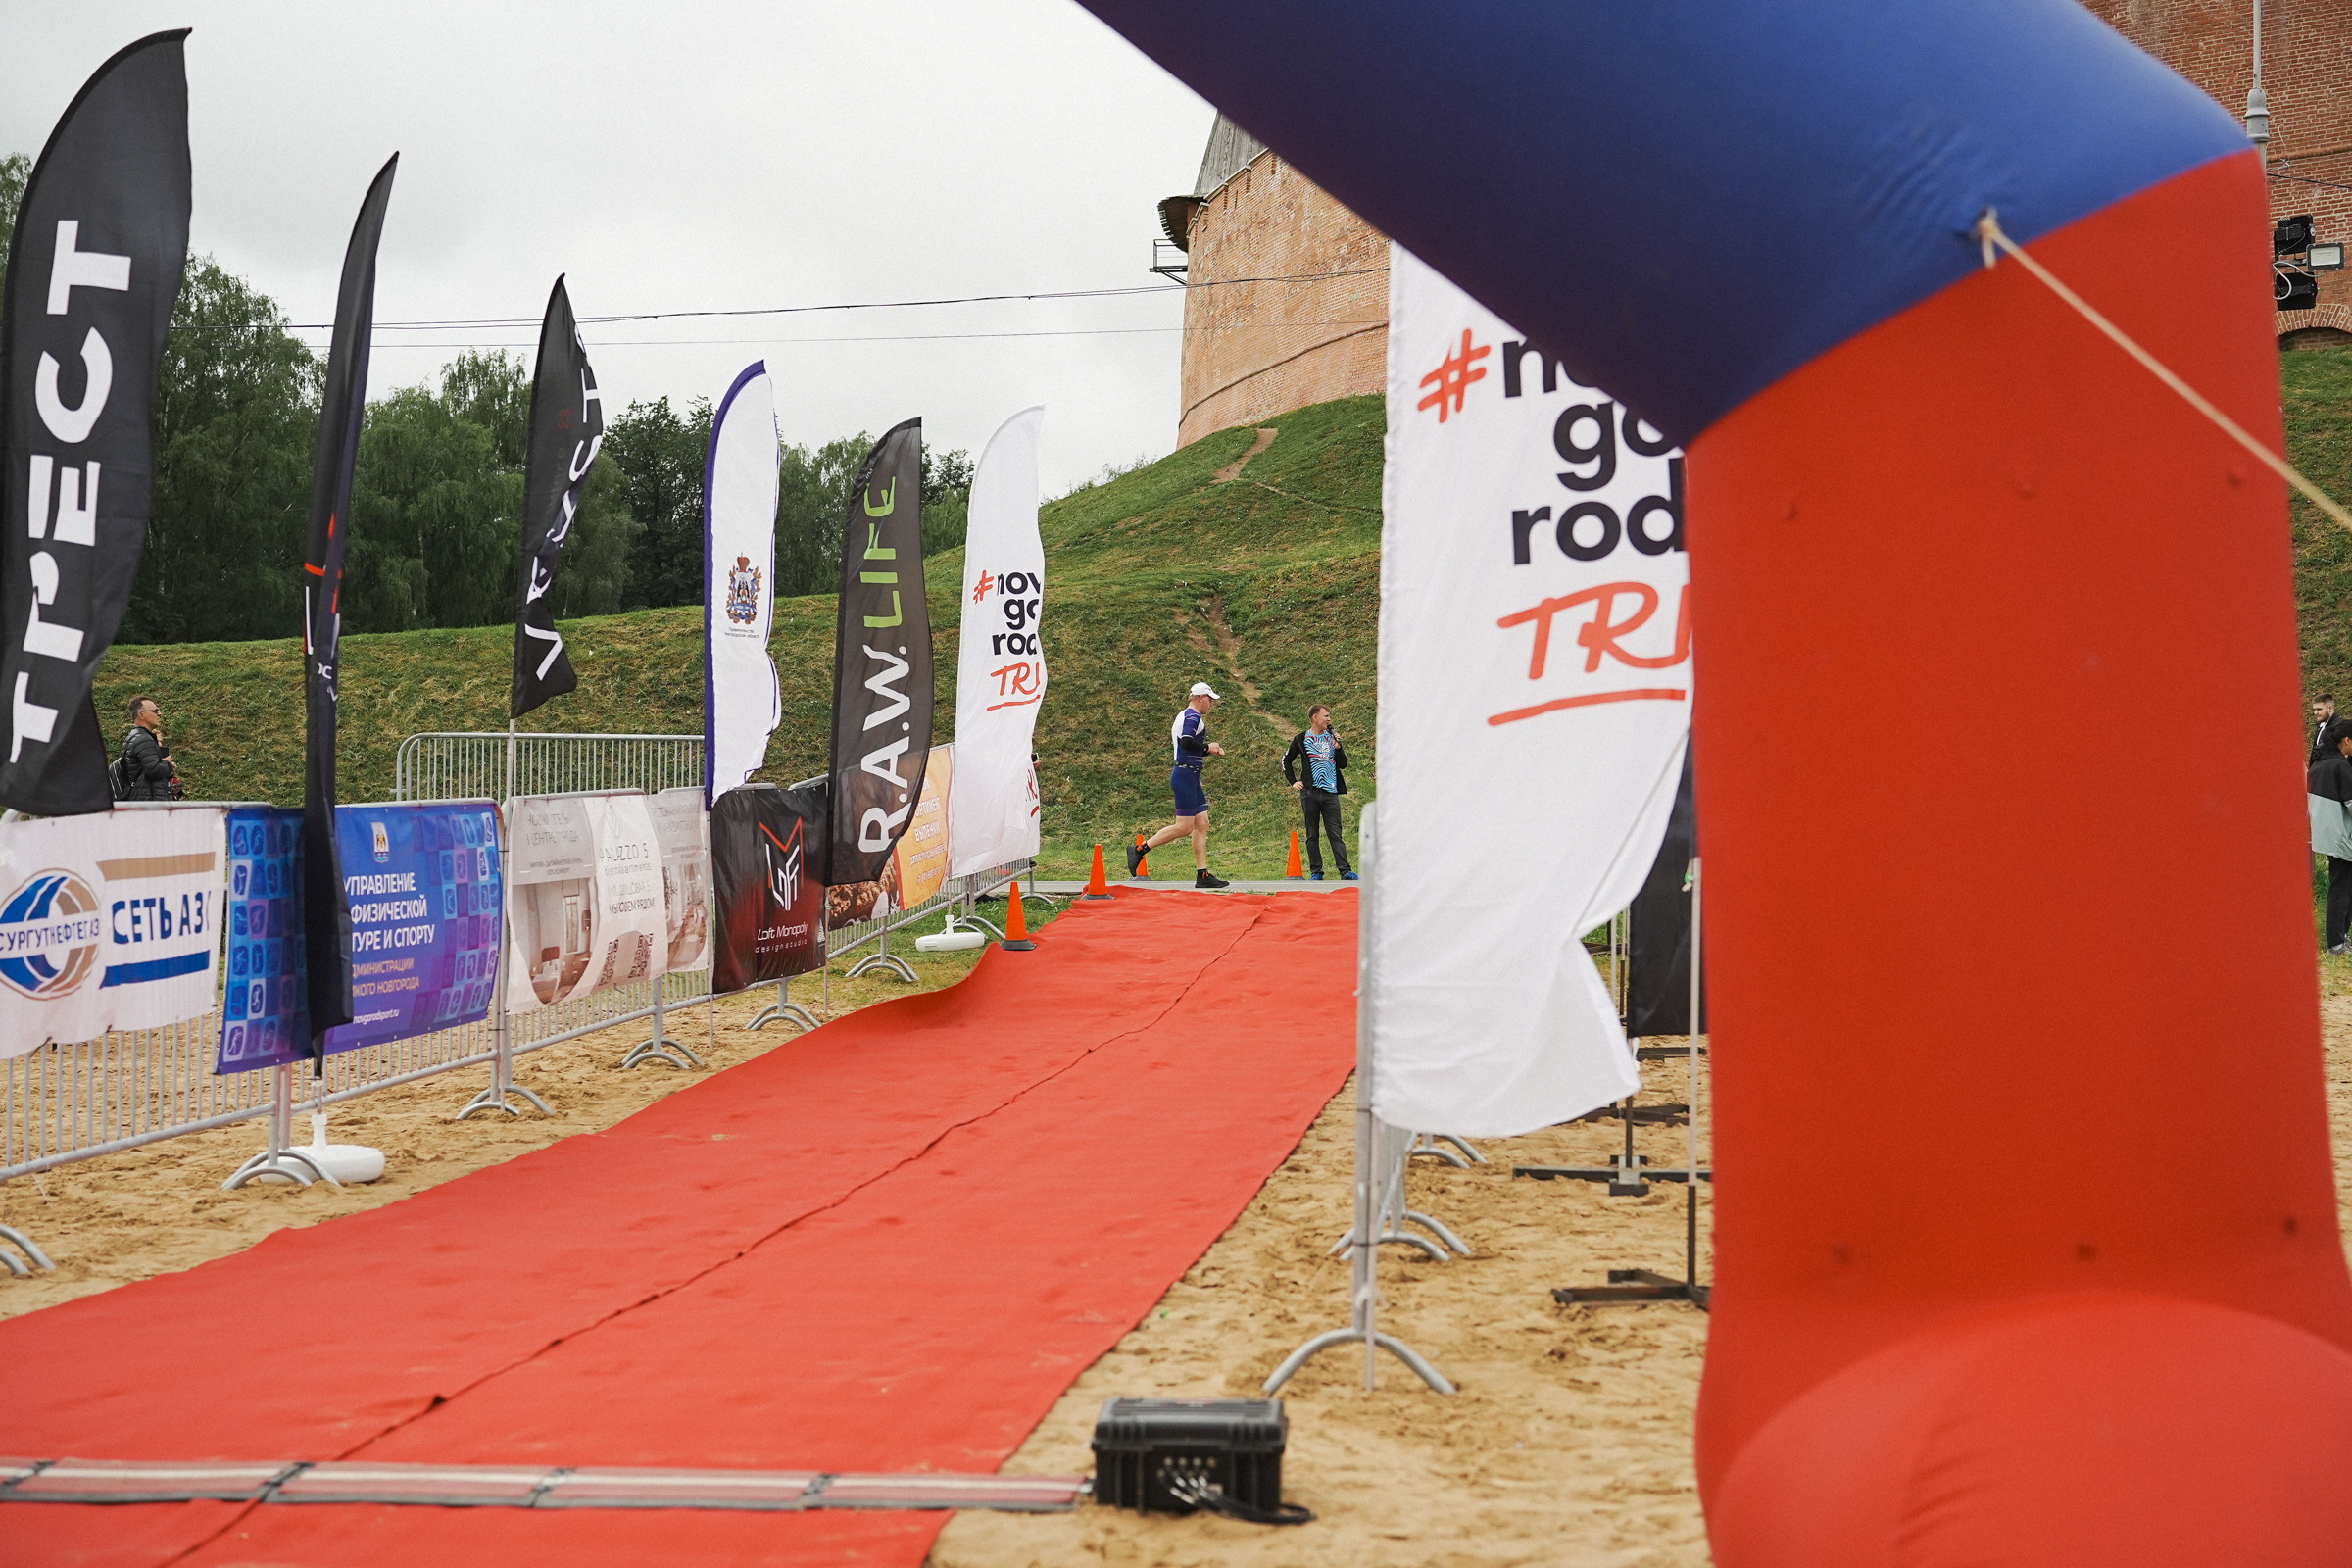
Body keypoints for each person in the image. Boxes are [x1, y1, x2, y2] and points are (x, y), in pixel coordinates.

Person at [1129, 681, 1229, 888]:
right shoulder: (1193, 716)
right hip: (1185, 775)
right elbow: (1186, 742)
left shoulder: (1185, 715)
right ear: (1201, 698)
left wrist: (1205, 751)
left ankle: (1203, 875)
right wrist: (1208, 748)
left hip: (1190, 775)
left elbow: (1187, 744)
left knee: (1202, 824)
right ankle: (1140, 849)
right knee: (1184, 827)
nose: (1212, 704)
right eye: (1210, 700)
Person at [1283, 704, 1357, 880]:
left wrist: (1338, 747)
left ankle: (1345, 871)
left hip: (1331, 793)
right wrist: (1294, 782)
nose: (1329, 720)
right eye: (1326, 716)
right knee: (1312, 833)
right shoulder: (1301, 739)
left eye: (1329, 716)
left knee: (1335, 833)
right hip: (1310, 793)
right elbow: (1286, 760)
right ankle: (1317, 872)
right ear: (1315, 718)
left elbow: (1343, 764)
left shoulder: (1332, 738)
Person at [2312, 728, 2352, 955]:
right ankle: (2336, 943)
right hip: (2342, 836)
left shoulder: (2319, 764)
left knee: (2342, 888)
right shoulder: (2340, 766)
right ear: (2346, 740)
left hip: (2327, 834)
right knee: (2342, 891)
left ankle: (2341, 938)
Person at [116, 696, 177, 802]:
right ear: (141, 715)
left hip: (141, 800)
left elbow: (144, 775)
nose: (159, 714)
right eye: (155, 711)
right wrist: (168, 764)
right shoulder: (144, 739)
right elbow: (154, 770)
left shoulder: (135, 736)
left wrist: (168, 774)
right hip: (147, 803)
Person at [2313, 695, 2340, 766]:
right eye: (2314, 709)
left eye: (2319, 709)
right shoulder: (2321, 725)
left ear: (2330, 708)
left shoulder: (2339, 727)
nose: (2315, 713)